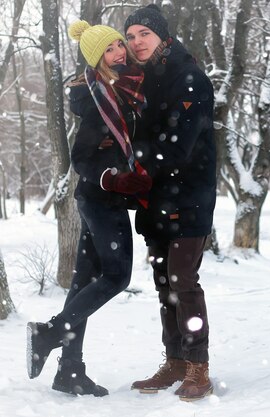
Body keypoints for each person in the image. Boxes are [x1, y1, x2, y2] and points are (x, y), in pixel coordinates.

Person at [26, 21, 151, 396]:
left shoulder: (123, 89)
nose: (120, 51)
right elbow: (82, 158)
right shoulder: (99, 102)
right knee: (117, 278)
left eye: (119, 44)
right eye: (110, 49)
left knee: (83, 283)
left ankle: (70, 370)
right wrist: (112, 179)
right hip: (101, 200)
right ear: (97, 60)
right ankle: (47, 334)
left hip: (102, 200)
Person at [123, 4, 217, 402]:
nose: (136, 42)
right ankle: (176, 361)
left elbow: (177, 147)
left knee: (183, 281)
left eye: (144, 33)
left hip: (189, 197)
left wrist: (135, 164)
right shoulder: (140, 80)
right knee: (165, 286)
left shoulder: (190, 77)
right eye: (130, 36)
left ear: (163, 36)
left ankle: (199, 365)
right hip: (155, 199)